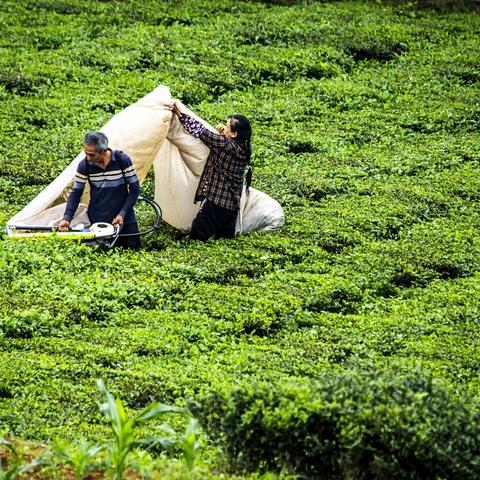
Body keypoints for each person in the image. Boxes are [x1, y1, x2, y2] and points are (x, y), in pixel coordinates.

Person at [172, 103, 252, 241]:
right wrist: (225, 133)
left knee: (196, 237)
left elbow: (200, 131)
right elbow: (227, 145)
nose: (224, 127)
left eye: (227, 127)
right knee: (224, 242)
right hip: (232, 206)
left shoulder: (224, 145)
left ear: (234, 134)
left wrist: (179, 113)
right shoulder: (246, 146)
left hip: (217, 204)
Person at [58, 131, 141, 249]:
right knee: (102, 253)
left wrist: (122, 214)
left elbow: (135, 189)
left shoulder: (122, 160)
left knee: (133, 251)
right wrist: (67, 218)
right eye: (86, 153)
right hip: (98, 220)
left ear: (103, 151)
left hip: (125, 218)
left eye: (92, 155)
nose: (88, 157)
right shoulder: (84, 165)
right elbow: (76, 193)